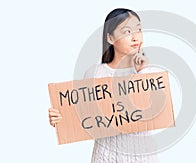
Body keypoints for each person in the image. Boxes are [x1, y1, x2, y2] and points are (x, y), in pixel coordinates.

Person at [48, 8, 159, 162]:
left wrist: (143, 70)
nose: (135, 37)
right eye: (127, 31)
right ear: (110, 38)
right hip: (105, 158)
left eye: (139, 30)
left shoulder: (151, 73)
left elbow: (157, 113)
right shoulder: (94, 74)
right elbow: (83, 117)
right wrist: (61, 119)